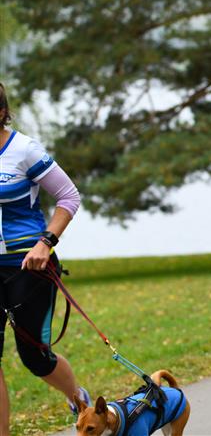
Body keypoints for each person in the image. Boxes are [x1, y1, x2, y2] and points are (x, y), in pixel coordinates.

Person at [0, 82, 89, 435]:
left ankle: (78, 398)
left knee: (35, 357)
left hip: (28, 266)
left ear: (1, 113)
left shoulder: (24, 150)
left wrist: (45, 243)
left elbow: (69, 197)